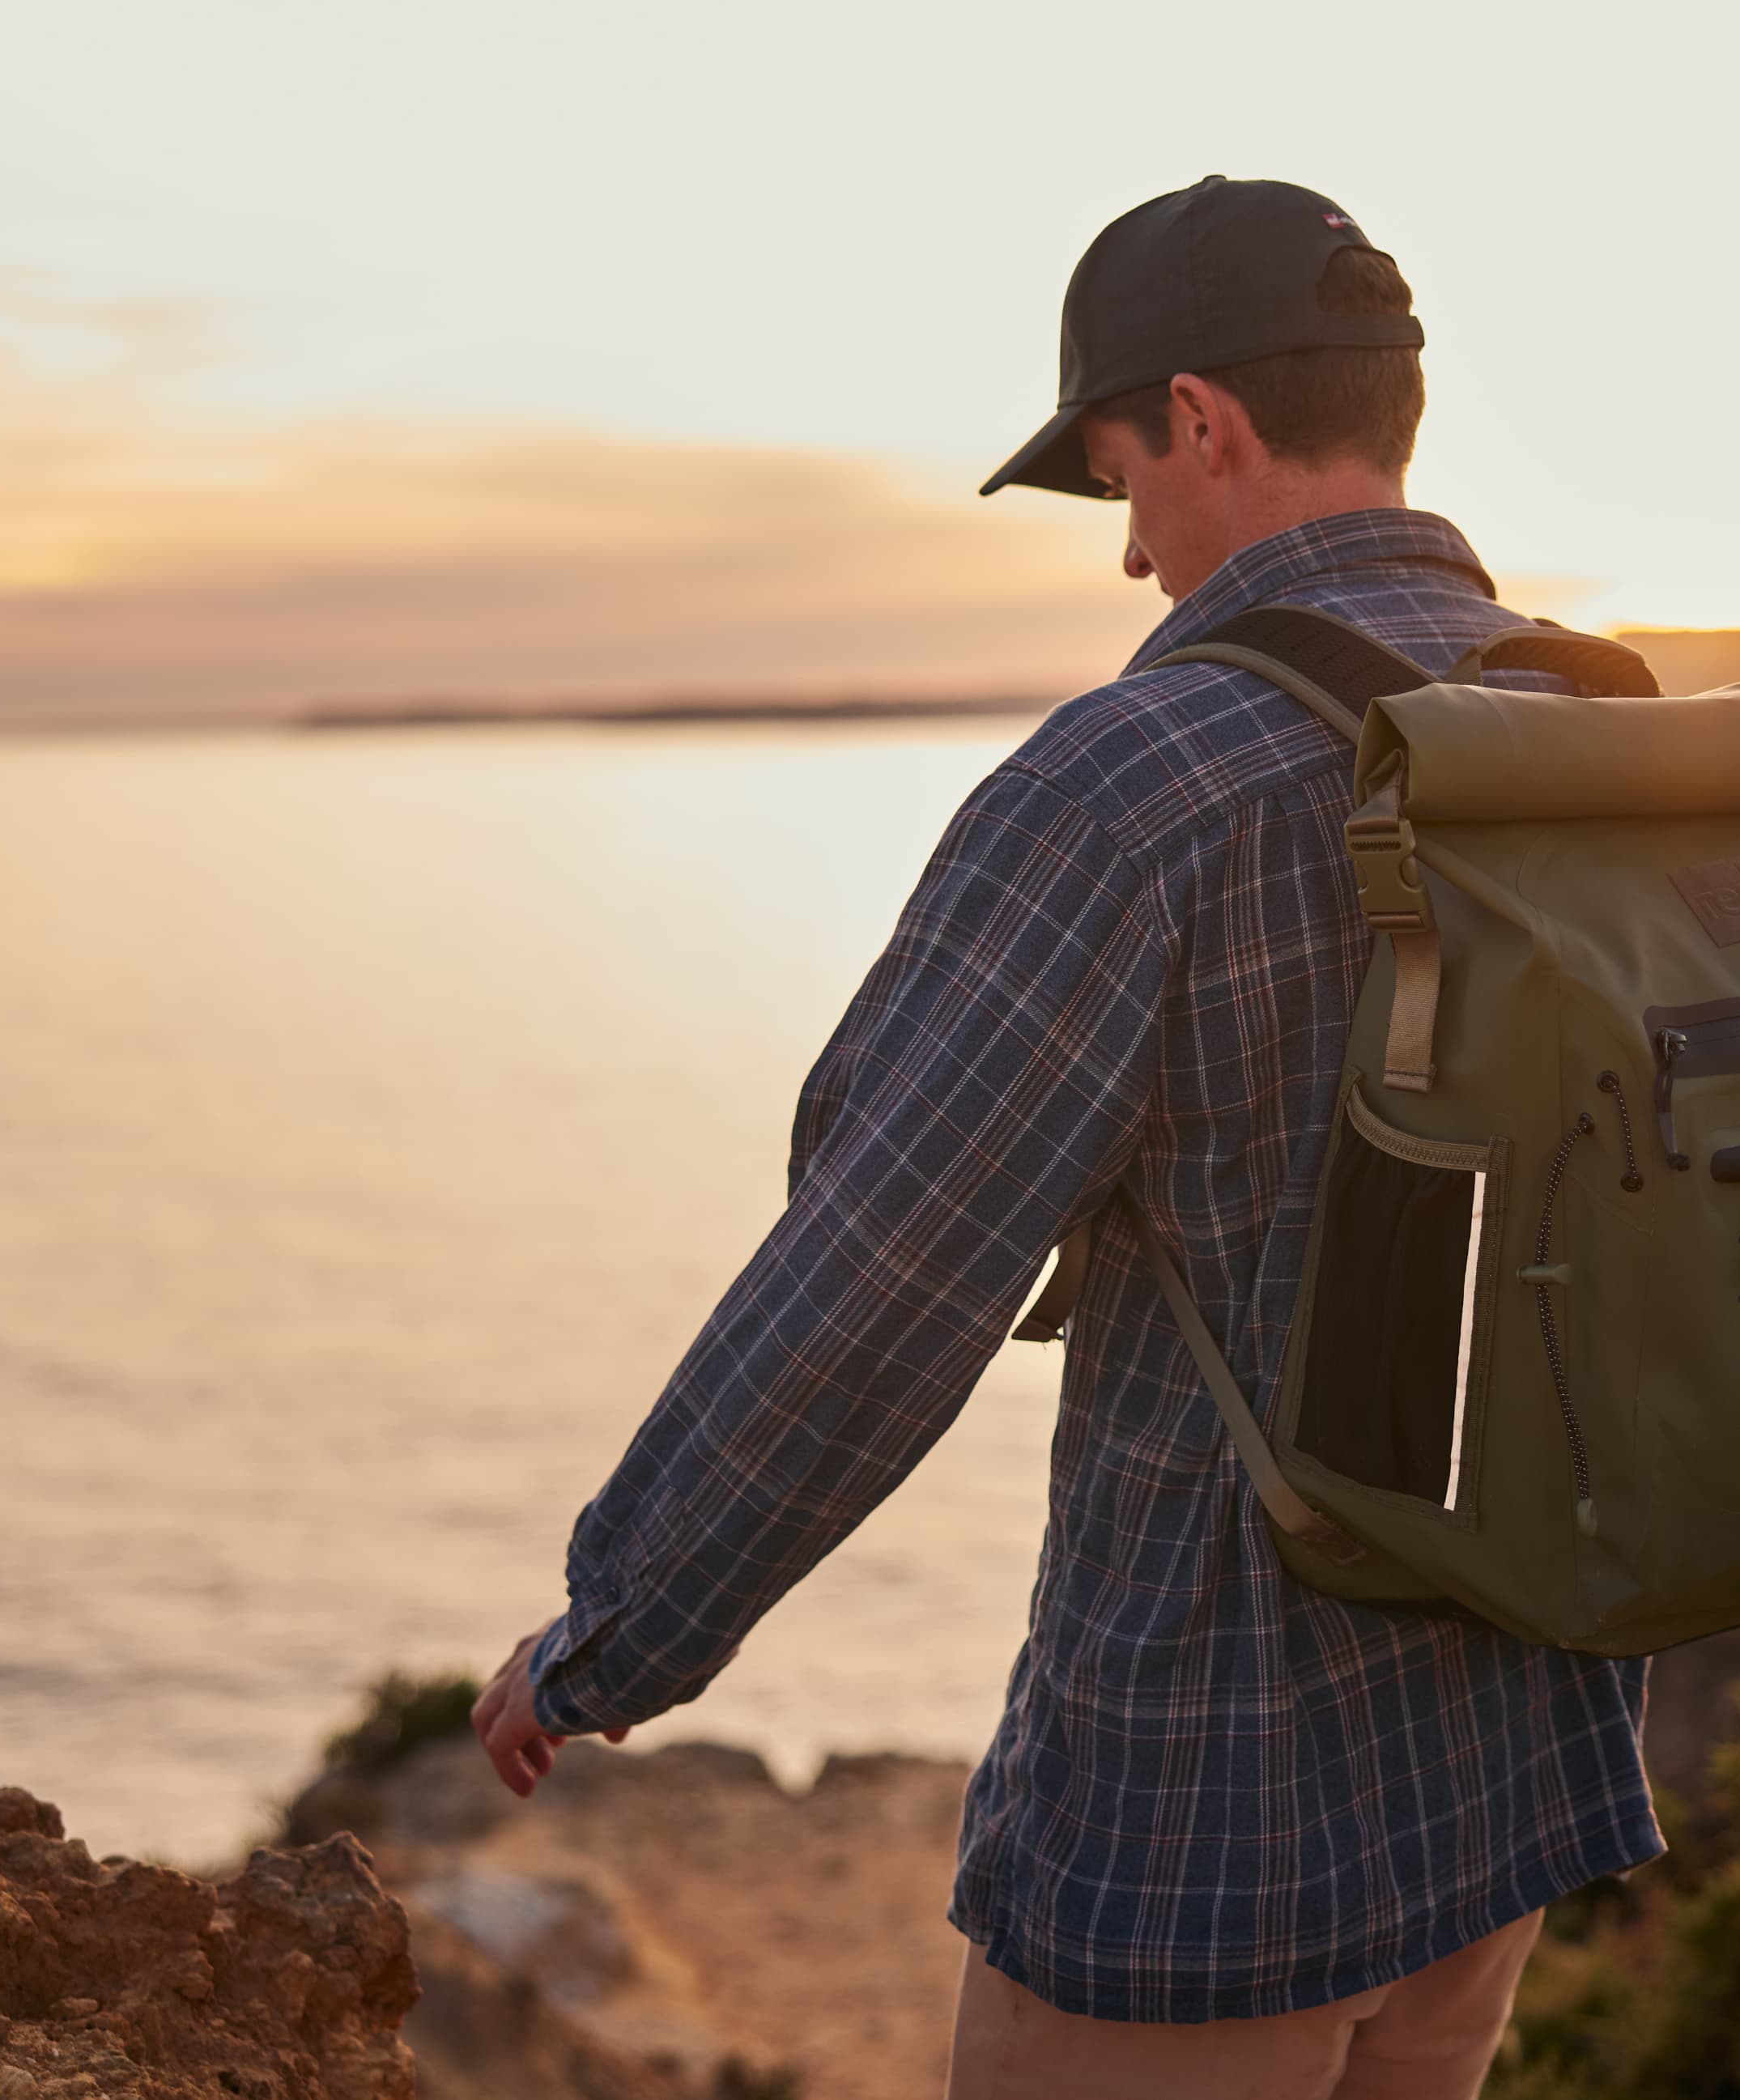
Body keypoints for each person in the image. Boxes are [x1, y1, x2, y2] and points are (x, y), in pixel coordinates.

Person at [470, 176, 1657, 2099]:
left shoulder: (1136, 782)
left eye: (1119, 485)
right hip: (1516, 1741)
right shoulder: (1591, 724)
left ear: (1204, 422)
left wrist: (620, 1629)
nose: (1131, 563)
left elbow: (884, 1273)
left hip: (1209, 1820)